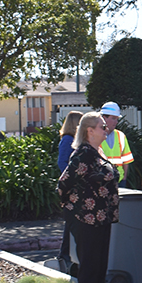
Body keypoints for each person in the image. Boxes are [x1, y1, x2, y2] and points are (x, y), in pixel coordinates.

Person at [58, 112, 120, 283]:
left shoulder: (96, 153)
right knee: (90, 268)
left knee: (99, 267)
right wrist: (77, 211)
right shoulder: (83, 154)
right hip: (87, 220)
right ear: (89, 131)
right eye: (102, 126)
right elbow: (63, 184)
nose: (106, 129)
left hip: (101, 219)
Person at [56, 110, 83, 271]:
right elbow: (62, 162)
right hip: (72, 187)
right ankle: (64, 254)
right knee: (70, 223)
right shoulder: (67, 140)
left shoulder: (72, 139)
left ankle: (67, 253)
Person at [98, 101, 134, 185]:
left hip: (119, 180)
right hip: (101, 180)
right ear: (103, 118)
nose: (116, 122)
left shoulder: (121, 135)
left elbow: (126, 160)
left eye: (117, 119)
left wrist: (124, 179)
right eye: (113, 118)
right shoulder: (96, 135)